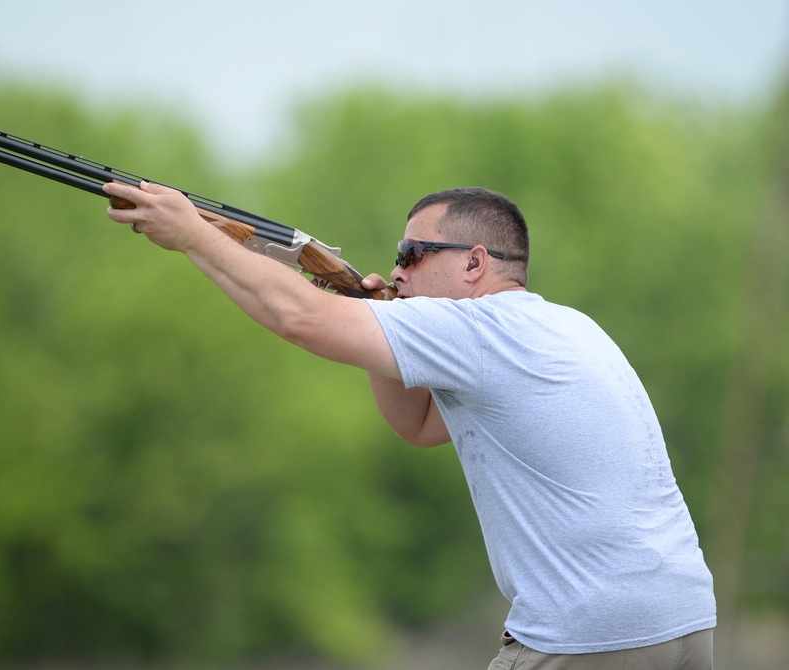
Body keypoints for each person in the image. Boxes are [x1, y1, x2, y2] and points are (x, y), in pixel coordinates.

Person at [104, 181, 716, 669]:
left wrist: (191, 236)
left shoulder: (478, 330)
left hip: (588, 634)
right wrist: (374, 319)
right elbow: (418, 424)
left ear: (475, 264)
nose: (397, 272)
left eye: (413, 255)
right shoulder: (565, 326)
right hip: (684, 622)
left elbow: (298, 315)